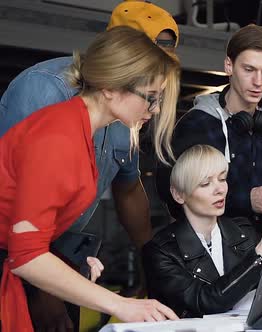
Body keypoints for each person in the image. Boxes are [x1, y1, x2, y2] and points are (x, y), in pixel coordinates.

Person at [0, 1, 179, 330]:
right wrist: (121, 305)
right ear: (111, 86)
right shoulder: (58, 133)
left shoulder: (82, 128)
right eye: (150, 96)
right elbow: (26, 256)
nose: (154, 109)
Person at [156, 24, 262, 234]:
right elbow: (170, 191)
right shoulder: (197, 124)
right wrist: (246, 200)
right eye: (248, 70)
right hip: (213, 250)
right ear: (229, 65)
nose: (258, 82)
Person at [144, 145, 262, 317]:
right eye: (205, 183)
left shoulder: (244, 232)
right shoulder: (161, 251)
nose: (220, 189)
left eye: (222, 179)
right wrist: (259, 255)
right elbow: (204, 301)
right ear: (179, 195)